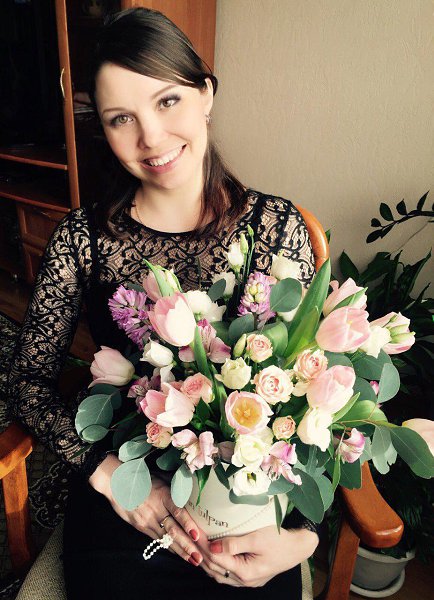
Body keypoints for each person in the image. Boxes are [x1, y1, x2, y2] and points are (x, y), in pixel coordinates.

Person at [7, 8, 319, 600]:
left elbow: (313, 395)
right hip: (131, 507)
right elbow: (27, 383)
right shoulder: (82, 239)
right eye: (121, 118)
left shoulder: (276, 229)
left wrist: (301, 538)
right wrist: (108, 476)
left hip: (248, 510)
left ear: (206, 94)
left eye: (168, 101)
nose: (149, 137)